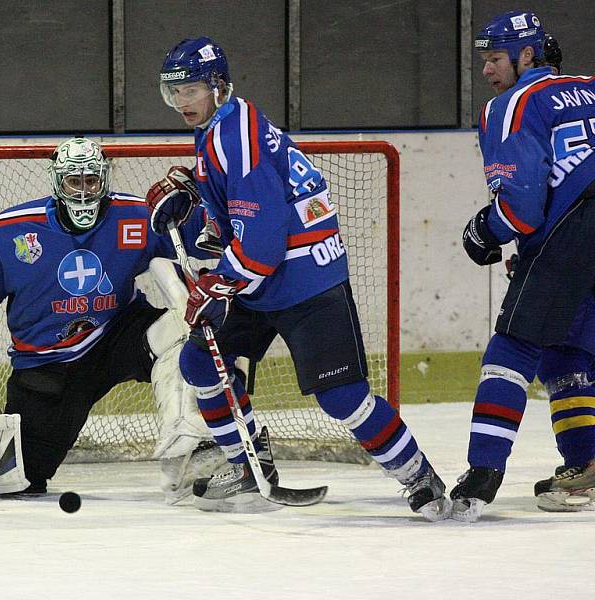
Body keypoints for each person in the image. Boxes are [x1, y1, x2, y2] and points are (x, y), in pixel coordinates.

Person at [146, 37, 450, 520]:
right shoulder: (219, 126)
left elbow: (264, 238)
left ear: (218, 86)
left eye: (192, 90)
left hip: (306, 279)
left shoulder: (233, 137)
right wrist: (193, 197)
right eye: (174, 92)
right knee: (201, 363)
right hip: (263, 278)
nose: (183, 102)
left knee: (341, 397)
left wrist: (221, 285)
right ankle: (248, 465)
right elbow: (240, 217)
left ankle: (418, 476)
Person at [0, 137, 227, 503]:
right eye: (74, 182)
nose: (84, 191)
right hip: (46, 362)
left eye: (91, 181)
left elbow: (210, 236)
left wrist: (208, 209)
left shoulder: (138, 215)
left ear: (104, 180)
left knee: (183, 332)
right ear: (56, 182)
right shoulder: (12, 229)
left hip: (116, 333)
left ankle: (193, 448)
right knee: (21, 480)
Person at [451, 11, 595, 521]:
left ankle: (483, 473)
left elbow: (522, 205)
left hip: (573, 229)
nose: (487, 71)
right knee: (568, 349)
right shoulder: (590, 87)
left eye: (494, 59)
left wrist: (485, 233)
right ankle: (587, 462)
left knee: (513, 345)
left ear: (526, 56)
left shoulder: (512, 104)